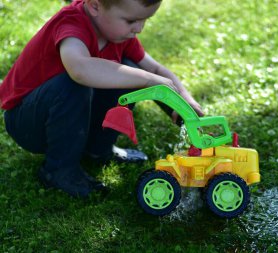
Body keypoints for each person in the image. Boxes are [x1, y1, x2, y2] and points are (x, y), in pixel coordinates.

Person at [0, 0, 203, 198]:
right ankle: (59, 170)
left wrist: (184, 102)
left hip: (70, 114)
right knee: (73, 84)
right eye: (131, 21)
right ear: (95, 6)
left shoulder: (118, 35)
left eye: (145, 20)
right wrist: (149, 80)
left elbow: (156, 70)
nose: (139, 28)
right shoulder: (71, 24)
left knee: (130, 68)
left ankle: (98, 150)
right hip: (28, 122)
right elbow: (80, 69)